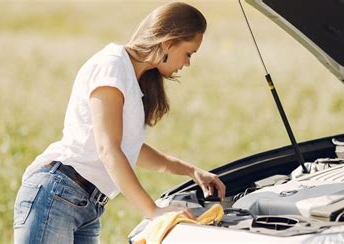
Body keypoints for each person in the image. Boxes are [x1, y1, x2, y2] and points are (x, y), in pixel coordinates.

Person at [13, 2, 226, 243]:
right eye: (189, 53)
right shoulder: (112, 66)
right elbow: (108, 149)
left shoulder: (134, 79)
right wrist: (152, 210)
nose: (187, 63)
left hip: (87, 206)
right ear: (169, 42)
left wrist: (192, 171)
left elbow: (131, 150)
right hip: (58, 195)